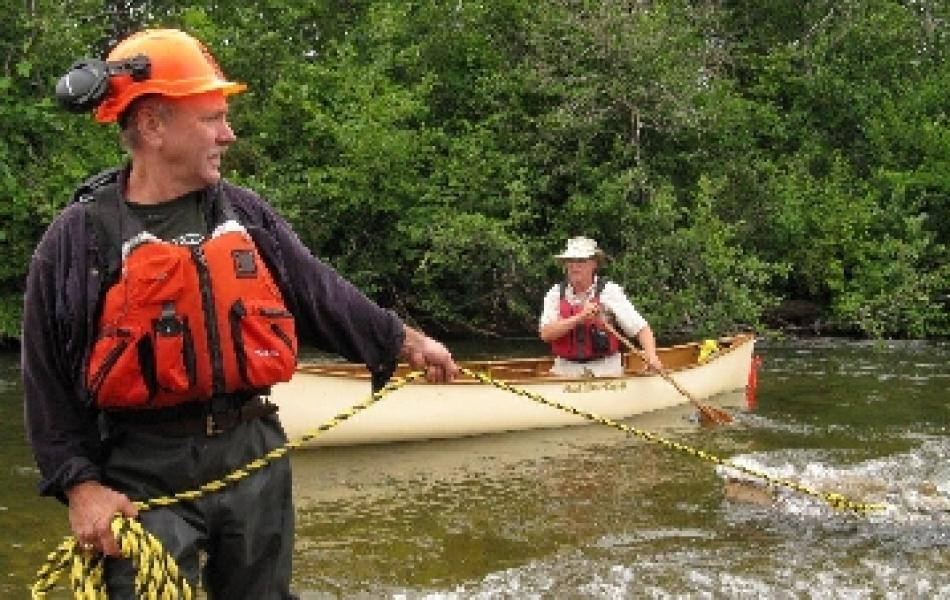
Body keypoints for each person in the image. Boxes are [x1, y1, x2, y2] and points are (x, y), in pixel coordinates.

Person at [24, 28, 458, 598]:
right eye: (211, 119)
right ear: (153, 125)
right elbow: (46, 382)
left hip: (251, 452)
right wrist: (82, 490)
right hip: (140, 473)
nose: (228, 135)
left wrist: (407, 343)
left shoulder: (244, 213)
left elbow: (319, 293)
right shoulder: (77, 239)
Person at [539, 236, 663, 377]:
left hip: (605, 368)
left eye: (581, 261)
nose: (574, 266)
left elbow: (641, 329)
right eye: (570, 261)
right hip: (565, 368)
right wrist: (580, 317)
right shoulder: (555, 293)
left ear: (594, 263)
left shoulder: (609, 292)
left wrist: (651, 356)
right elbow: (546, 334)